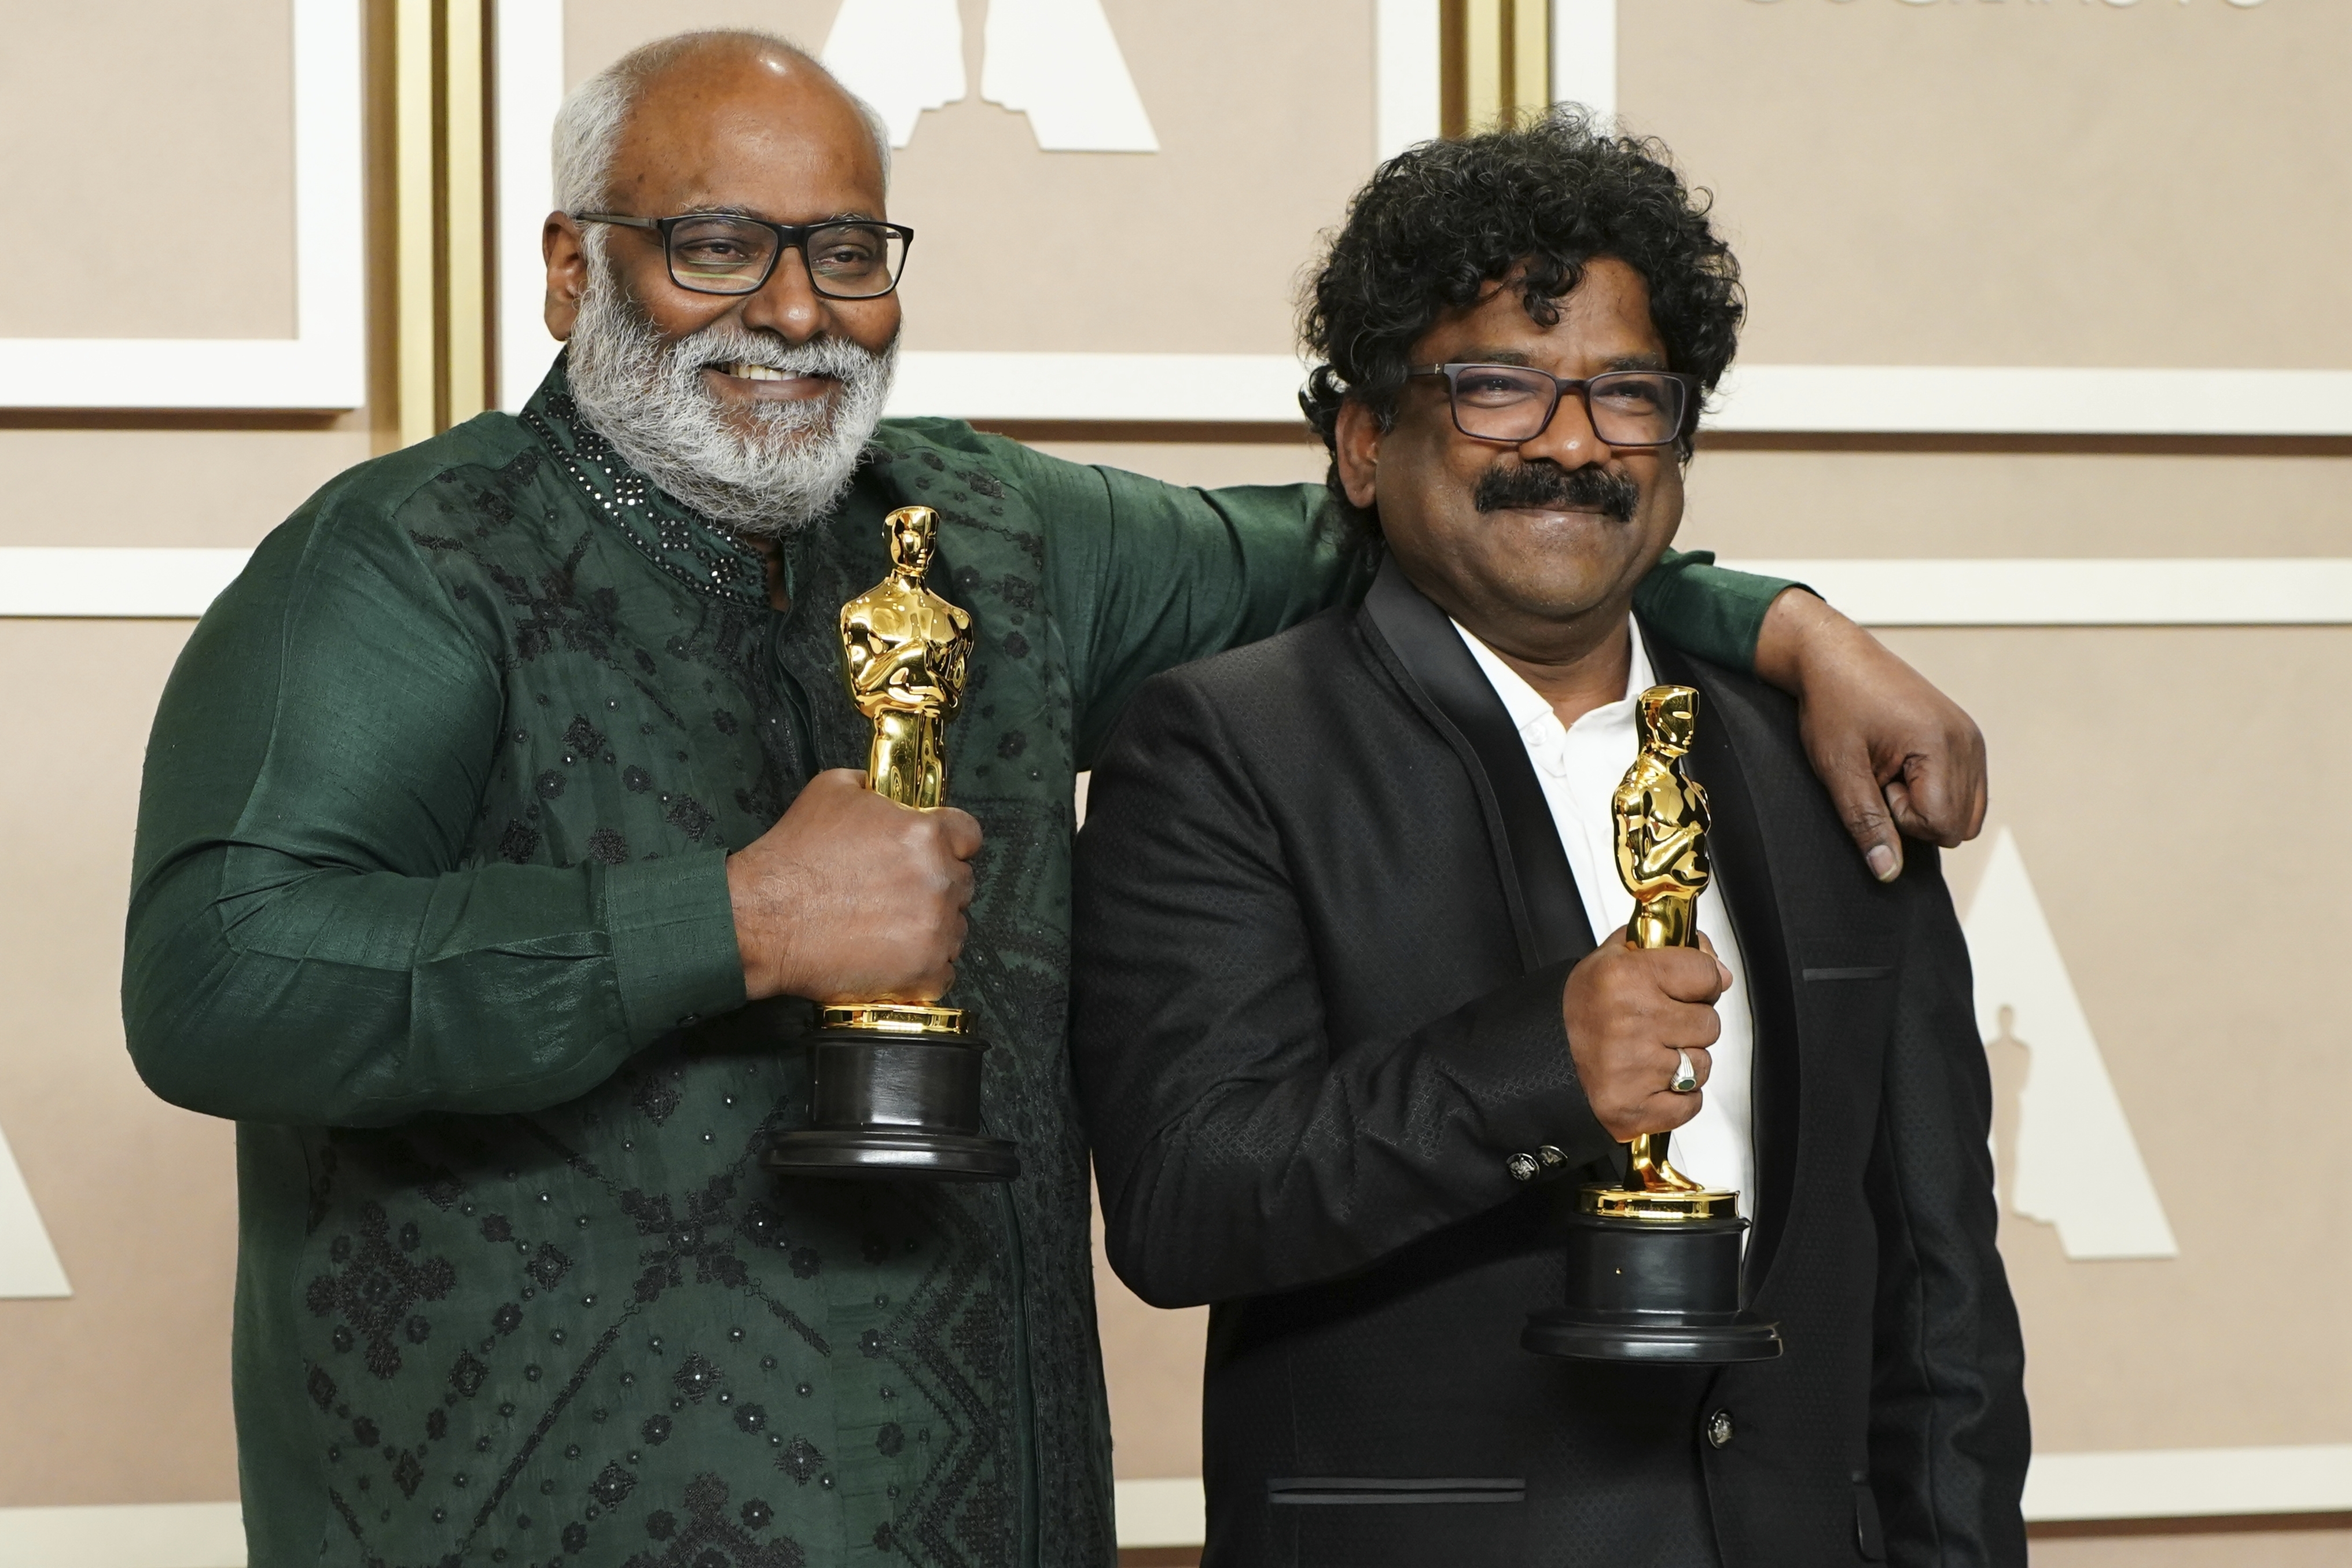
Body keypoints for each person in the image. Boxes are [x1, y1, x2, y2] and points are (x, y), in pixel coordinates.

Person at [122, 30, 1989, 1568]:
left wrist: (1776, 622)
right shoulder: (404, 566)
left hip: (973, 1517)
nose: (795, 312)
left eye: (851, 254)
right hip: (509, 1516)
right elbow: (218, 975)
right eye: (714, 245)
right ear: (566, 268)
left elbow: (1420, 521)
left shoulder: (1003, 542)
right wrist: (735, 922)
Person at [1073, 111, 2026, 1567]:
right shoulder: (1224, 745)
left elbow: (1937, 1283)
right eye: (1499, 389)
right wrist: (1535, 1070)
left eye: (1627, 395)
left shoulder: (1821, 753)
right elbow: (1183, 1198)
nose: (1572, 443)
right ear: (1362, 442)